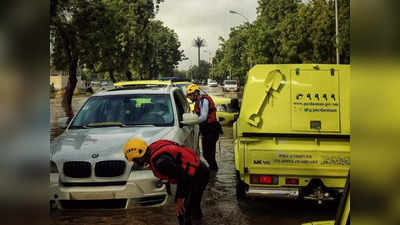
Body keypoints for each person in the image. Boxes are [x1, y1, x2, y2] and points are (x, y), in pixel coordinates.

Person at [123, 138, 210, 225]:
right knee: (193, 205)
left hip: (198, 176)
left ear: (141, 155)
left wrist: (180, 200)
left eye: (135, 160)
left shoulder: (160, 162)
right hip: (199, 170)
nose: (136, 163)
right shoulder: (152, 149)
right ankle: (199, 220)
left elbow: (183, 178)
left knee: (182, 211)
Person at [186, 84, 222, 171]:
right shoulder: (199, 101)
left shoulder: (204, 101)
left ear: (195, 93)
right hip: (207, 130)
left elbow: (203, 117)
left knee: (208, 154)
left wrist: (190, 122)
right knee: (208, 154)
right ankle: (213, 172)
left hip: (211, 130)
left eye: (190, 95)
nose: (189, 98)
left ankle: (213, 171)